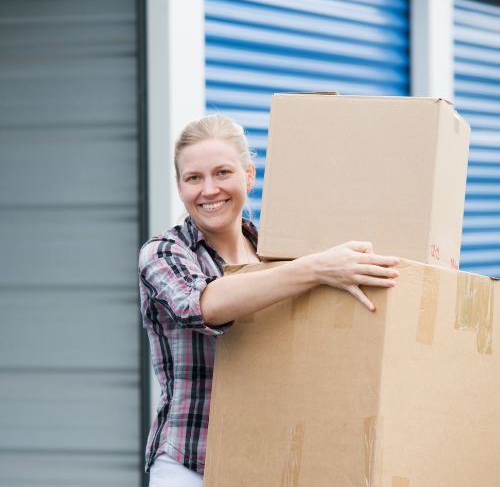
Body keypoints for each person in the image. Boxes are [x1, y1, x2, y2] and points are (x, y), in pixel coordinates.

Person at [138, 114, 400, 486]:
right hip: (190, 465)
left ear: (248, 175)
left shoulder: (274, 255)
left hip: (266, 464)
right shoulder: (163, 253)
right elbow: (201, 305)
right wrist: (317, 269)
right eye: (193, 178)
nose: (209, 190)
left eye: (222, 173)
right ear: (180, 187)